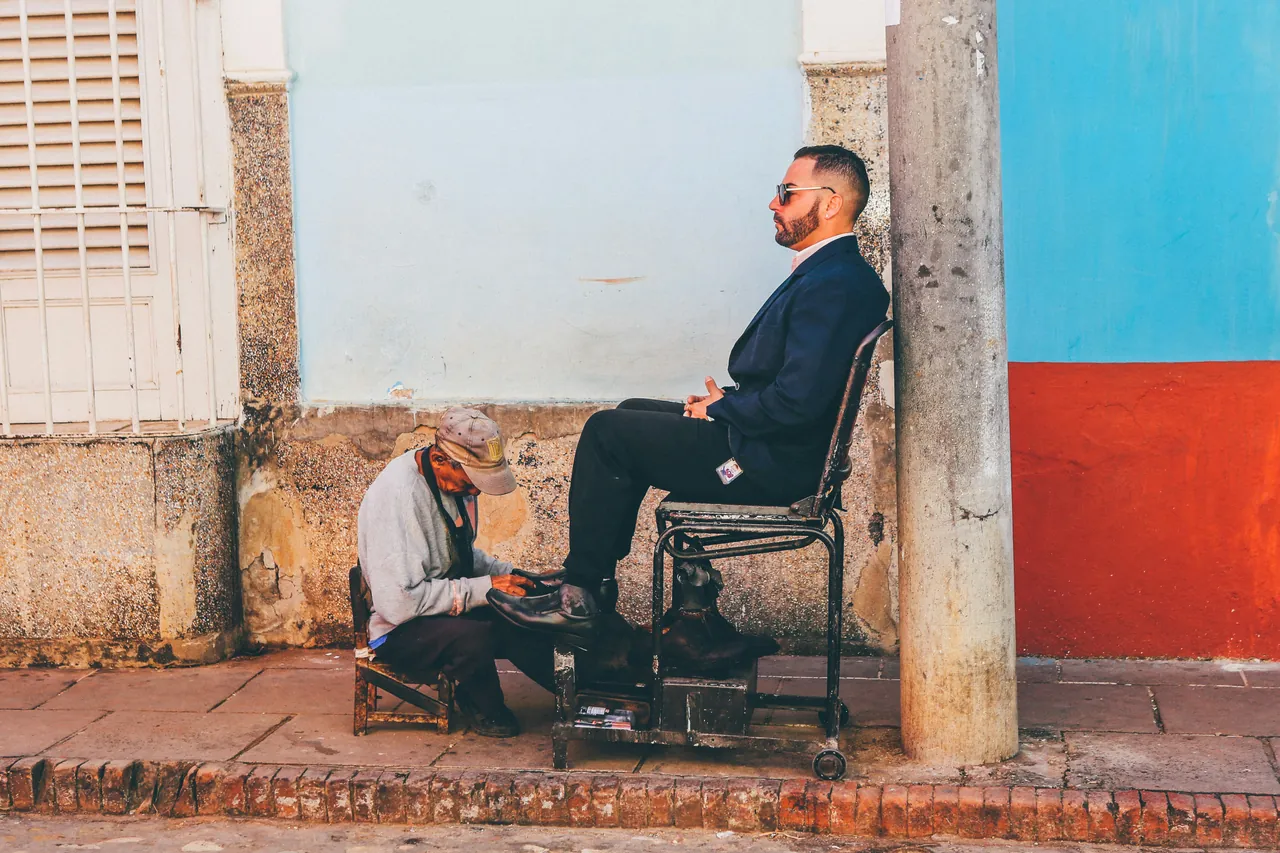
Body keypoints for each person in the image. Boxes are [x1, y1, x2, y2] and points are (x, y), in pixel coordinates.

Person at [491, 145, 890, 658]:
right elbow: (796, 387)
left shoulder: (836, 283)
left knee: (607, 433)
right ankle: (681, 616)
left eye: (787, 193)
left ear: (830, 204)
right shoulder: (831, 274)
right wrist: (724, 403)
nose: (774, 203)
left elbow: (797, 402)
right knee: (633, 410)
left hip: (764, 465)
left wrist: (723, 409)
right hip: (763, 446)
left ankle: (582, 594)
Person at [356, 407, 551, 737]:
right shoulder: (398, 499)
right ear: (440, 459)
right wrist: (484, 589)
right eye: (471, 480)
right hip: (399, 630)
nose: (475, 491)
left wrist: (517, 576)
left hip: (436, 607)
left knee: (520, 611)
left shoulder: (448, 485)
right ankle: (483, 707)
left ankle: (583, 690)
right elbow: (399, 604)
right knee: (479, 634)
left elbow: (461, 555)